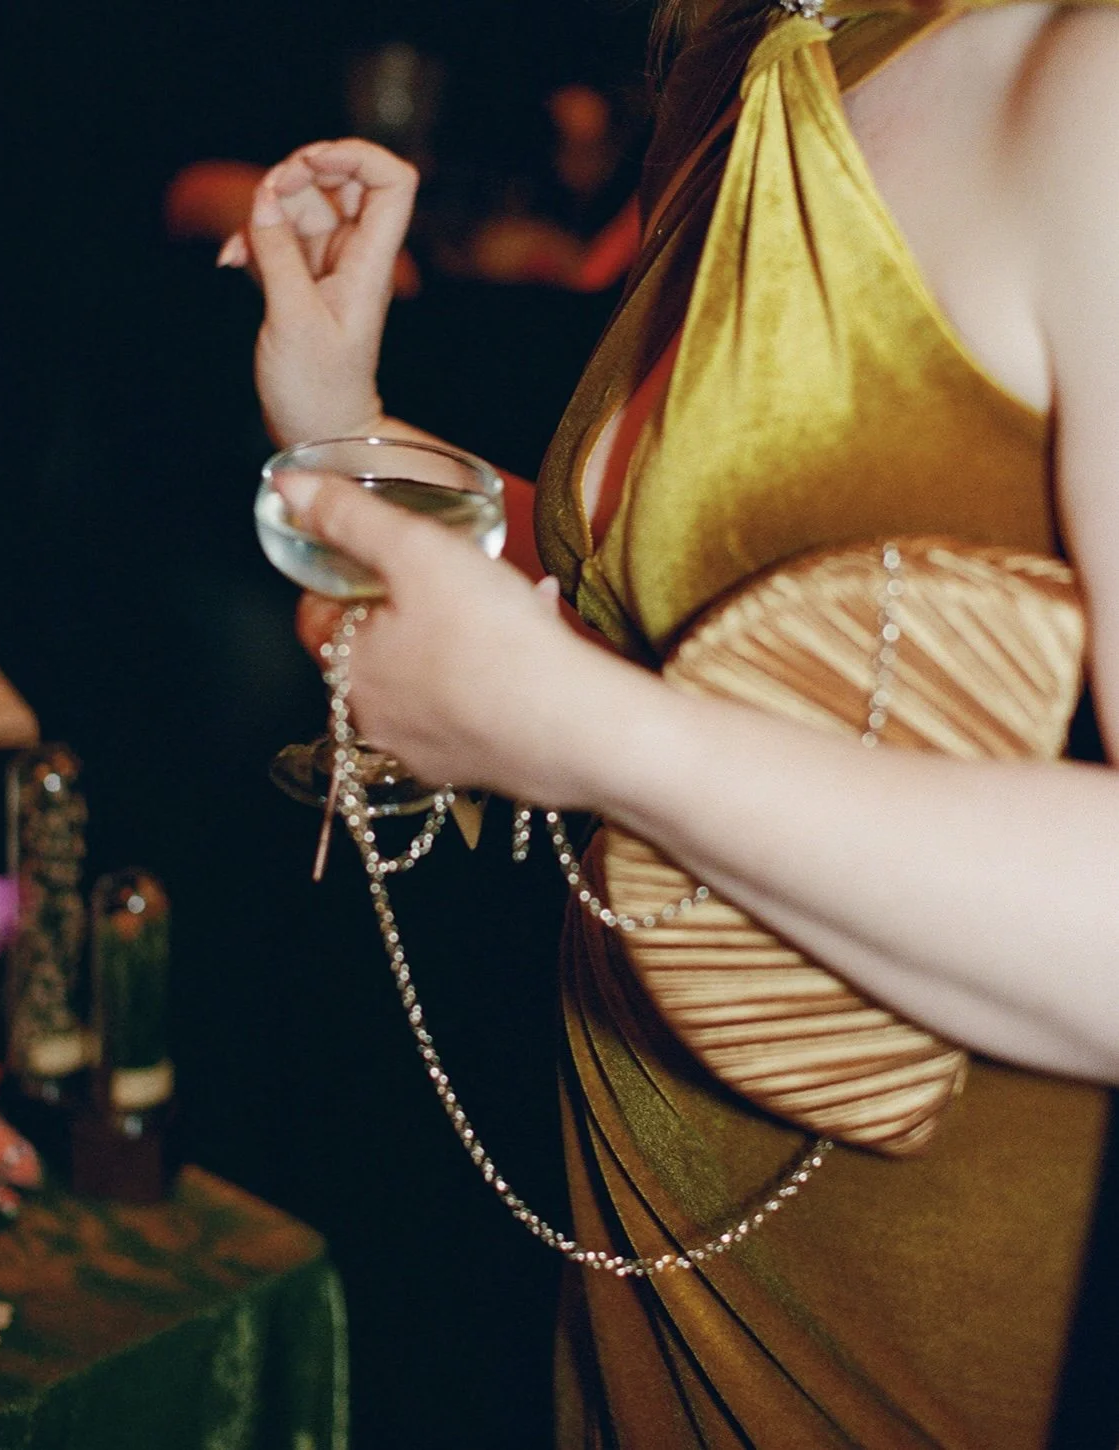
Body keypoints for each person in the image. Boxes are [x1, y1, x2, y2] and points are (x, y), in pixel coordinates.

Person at [219, 0, 1119, 1442]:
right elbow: (652, 601)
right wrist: (340, 409)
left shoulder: (1090, 79)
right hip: (650, 1264)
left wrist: (585, 735)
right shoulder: (767, 59)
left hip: (912, 1321)